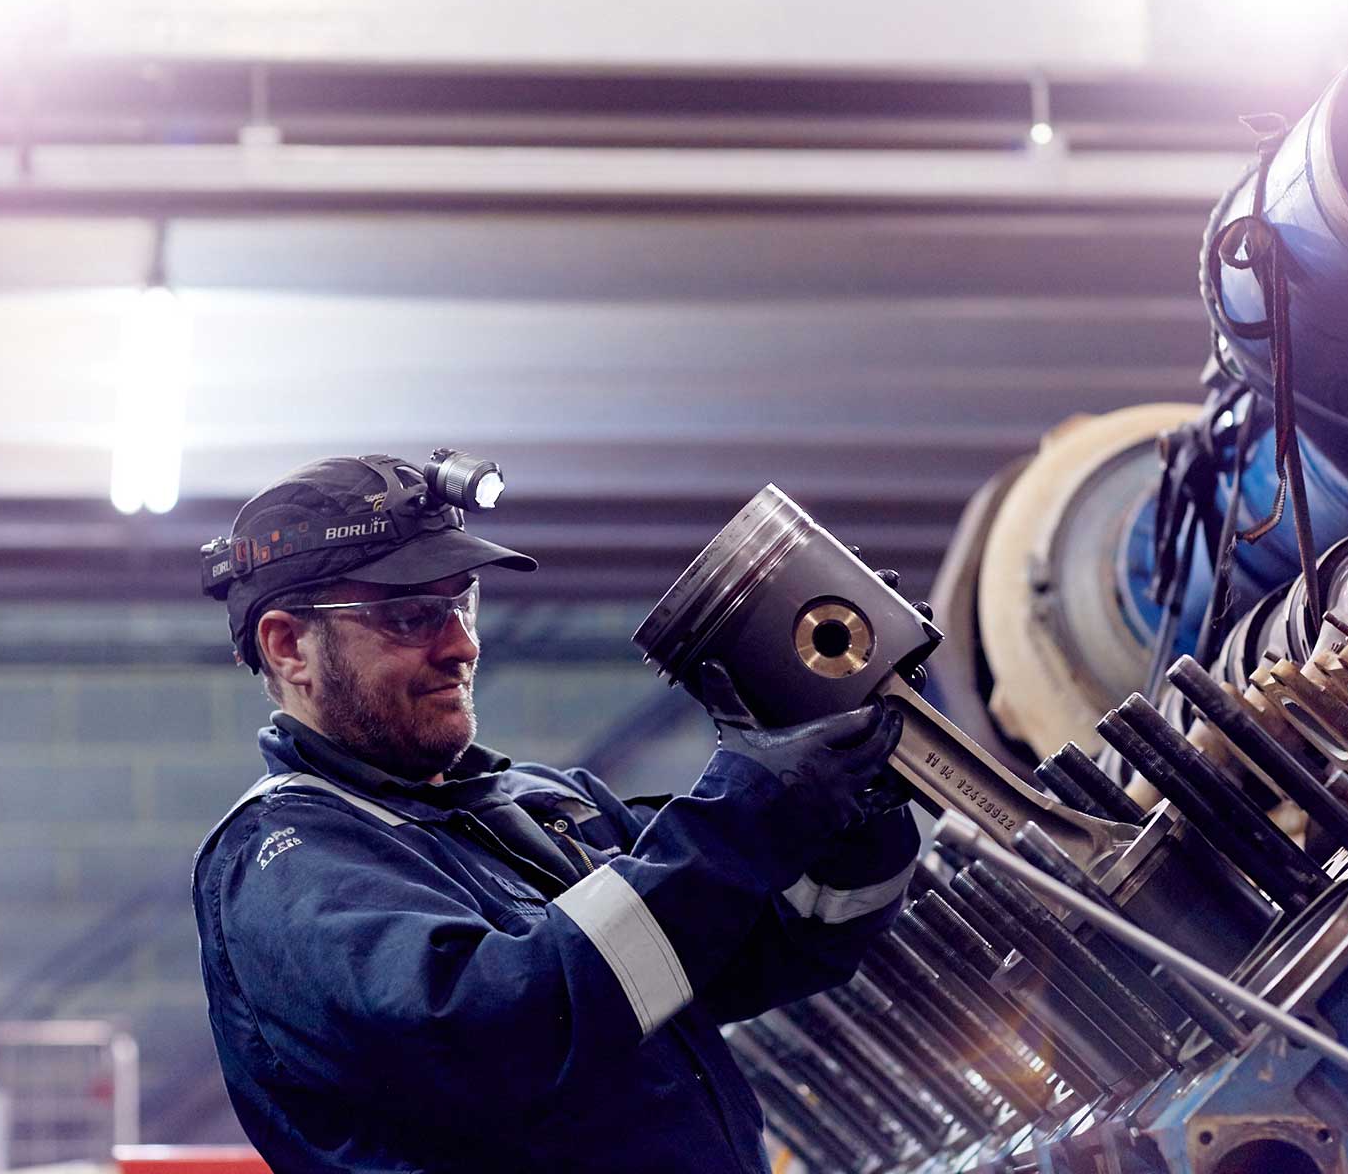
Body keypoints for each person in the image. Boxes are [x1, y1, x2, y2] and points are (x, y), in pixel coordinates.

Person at [192, 452, 919, 1173]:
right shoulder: (287, 859)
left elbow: (784, 947)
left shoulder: (547, 807)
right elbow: (499, 1033)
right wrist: (744, 814)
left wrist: (847, 806)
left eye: (461, 603)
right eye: (412, 617)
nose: (463, 645)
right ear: (288, 647)